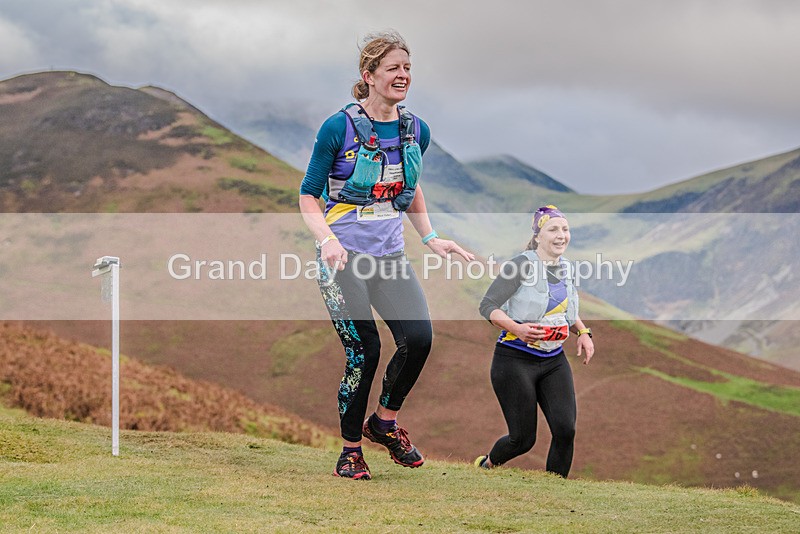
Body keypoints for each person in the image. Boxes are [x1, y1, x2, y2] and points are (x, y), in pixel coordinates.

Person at [298, 30, 473, 480]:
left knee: (419, 340)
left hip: (390, 258)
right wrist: (327, 241)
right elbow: (307, 196)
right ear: (369, 75)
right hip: (342, 260)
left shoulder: (417, 130)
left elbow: (408, 187)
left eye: (408, 68)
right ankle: (350, 450)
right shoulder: (338, 128)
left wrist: (431, 237)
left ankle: (385, 423)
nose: (403, 76)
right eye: (394, 68)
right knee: (366, 350)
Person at [474, 205, 594, 477]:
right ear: (538, 236)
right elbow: (487, 306)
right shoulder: (521, 265)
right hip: (514, 360)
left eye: (565, 229)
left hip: (553, 361)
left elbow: (564, 310)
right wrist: (518, 328)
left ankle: (555, 491)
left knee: (566, 429)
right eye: (553, 229)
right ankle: (486, 466)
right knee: (522, 440)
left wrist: (583, 333)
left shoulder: (566, 267)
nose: (561, 235)